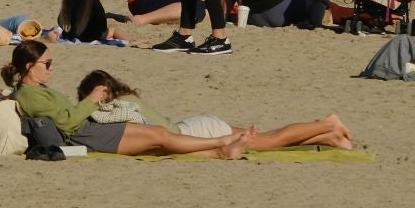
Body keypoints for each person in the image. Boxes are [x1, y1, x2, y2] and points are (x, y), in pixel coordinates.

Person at [4, 41, 248, 158]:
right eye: (47, 64)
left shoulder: (34, 89)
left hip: (87, 128)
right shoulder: (31, 94)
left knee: (158, 141)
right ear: (29, 66)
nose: (51, 68)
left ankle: (221, 152)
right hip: (83, 133)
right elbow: (67, 123)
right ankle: (221, 142)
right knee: (159, 138)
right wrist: (90, 99)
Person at [71, 68, 355, 153]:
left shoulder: (118, 107)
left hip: (195, 130)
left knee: (268, 140)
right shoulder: (129, 98)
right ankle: (327, 136)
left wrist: (88, 103)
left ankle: (325, 124)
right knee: (268, 140)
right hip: (195, 125)